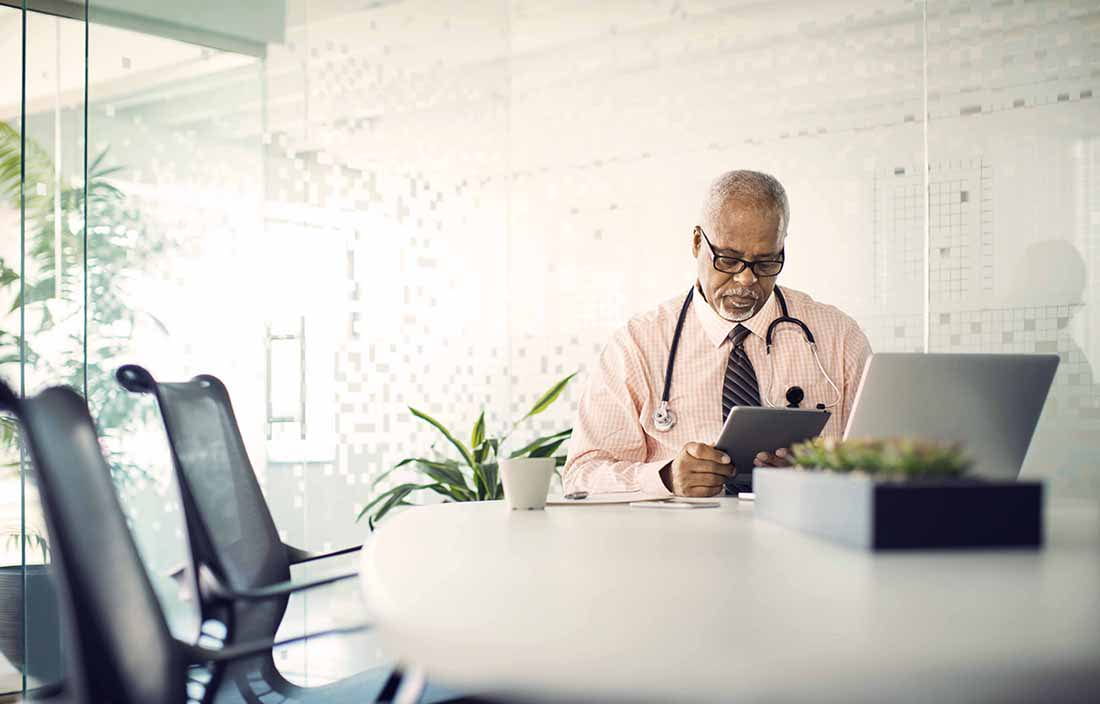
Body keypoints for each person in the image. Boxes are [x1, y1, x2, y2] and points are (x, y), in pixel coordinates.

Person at [563, 170, 872, 498]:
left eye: (766, 263)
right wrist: (666, 478)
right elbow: (582, 476)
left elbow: (892, 463)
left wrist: (819, 475)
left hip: (807, 539)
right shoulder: (637, 345)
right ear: (698, 242)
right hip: (684, 546)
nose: (746, 280)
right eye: (729, 260)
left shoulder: (838, 337)